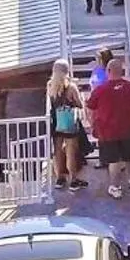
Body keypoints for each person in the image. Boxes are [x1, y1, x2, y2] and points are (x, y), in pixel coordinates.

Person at [85, 57, 130, 199]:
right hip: (129, 129)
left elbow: (90, 109)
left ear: (108, 71)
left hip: (108, 131)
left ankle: (115, 187)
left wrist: (93, 124)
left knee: (114, 160)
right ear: (122, 71)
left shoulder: (100, 90)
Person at [46, 59, 87, 191]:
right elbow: (79, 105)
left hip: (56, 122)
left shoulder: (50, 85)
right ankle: (73, 180)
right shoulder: (71, 87)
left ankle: (59, 178)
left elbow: (51, 104)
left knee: (57, 151)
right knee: (71, 152)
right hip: (69, 122)